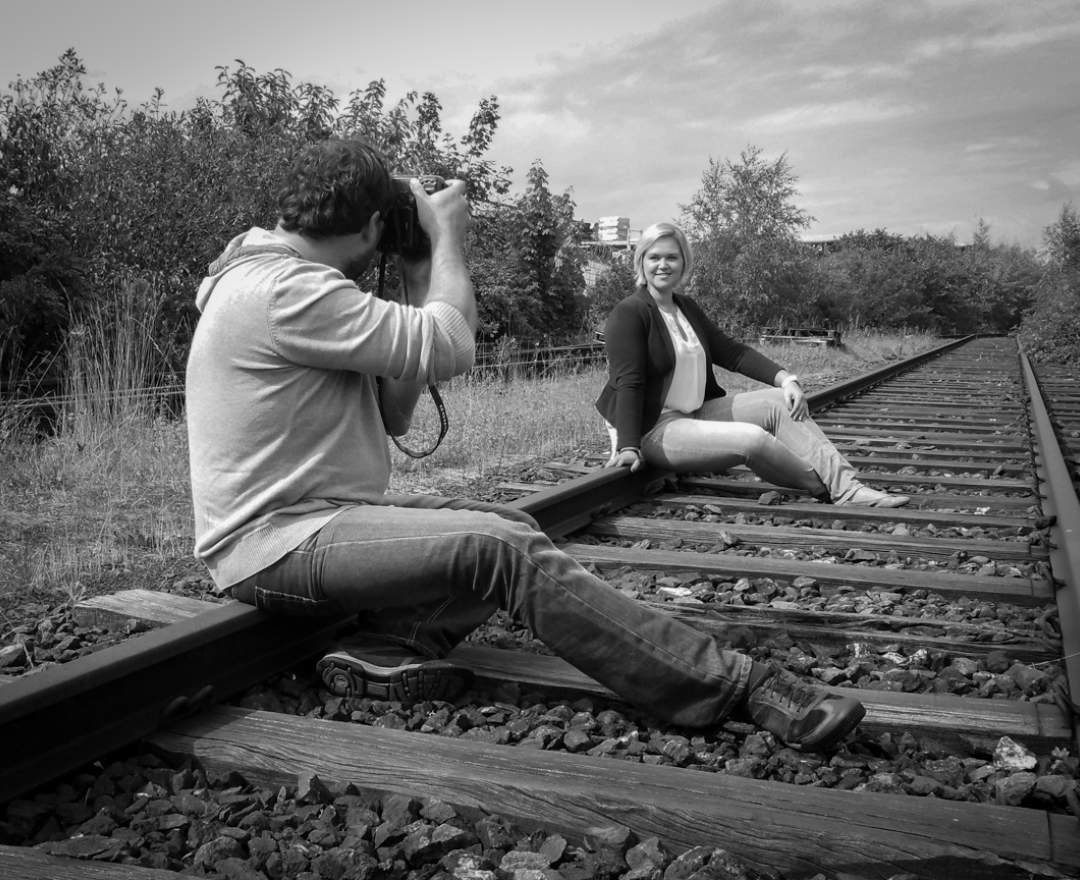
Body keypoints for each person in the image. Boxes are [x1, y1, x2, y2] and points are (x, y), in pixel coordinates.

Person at [185, 139, 865, 752]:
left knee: (511, 522)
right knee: (499, 548)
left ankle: (389, 648)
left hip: (315, 520)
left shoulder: (291, 283)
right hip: (277, 541)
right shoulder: (286, 290)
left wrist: (422, 275)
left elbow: (395, 411)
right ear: (369, 227)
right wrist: (446, 238)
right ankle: (731, 686)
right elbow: (451, 346)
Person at [596, 221, 910, 508]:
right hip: (654, 428)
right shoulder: (630, 313)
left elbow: (732, 352)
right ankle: (825, 485)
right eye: (654, 257)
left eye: (671, 257)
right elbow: (629, 381)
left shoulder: (685, 308)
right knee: (752, 438)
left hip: (694, 413)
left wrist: (786, 379)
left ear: (683, 263)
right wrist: (627, 446)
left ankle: (847, 486)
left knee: (778, 403)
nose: (663, 265)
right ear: (641, 262)